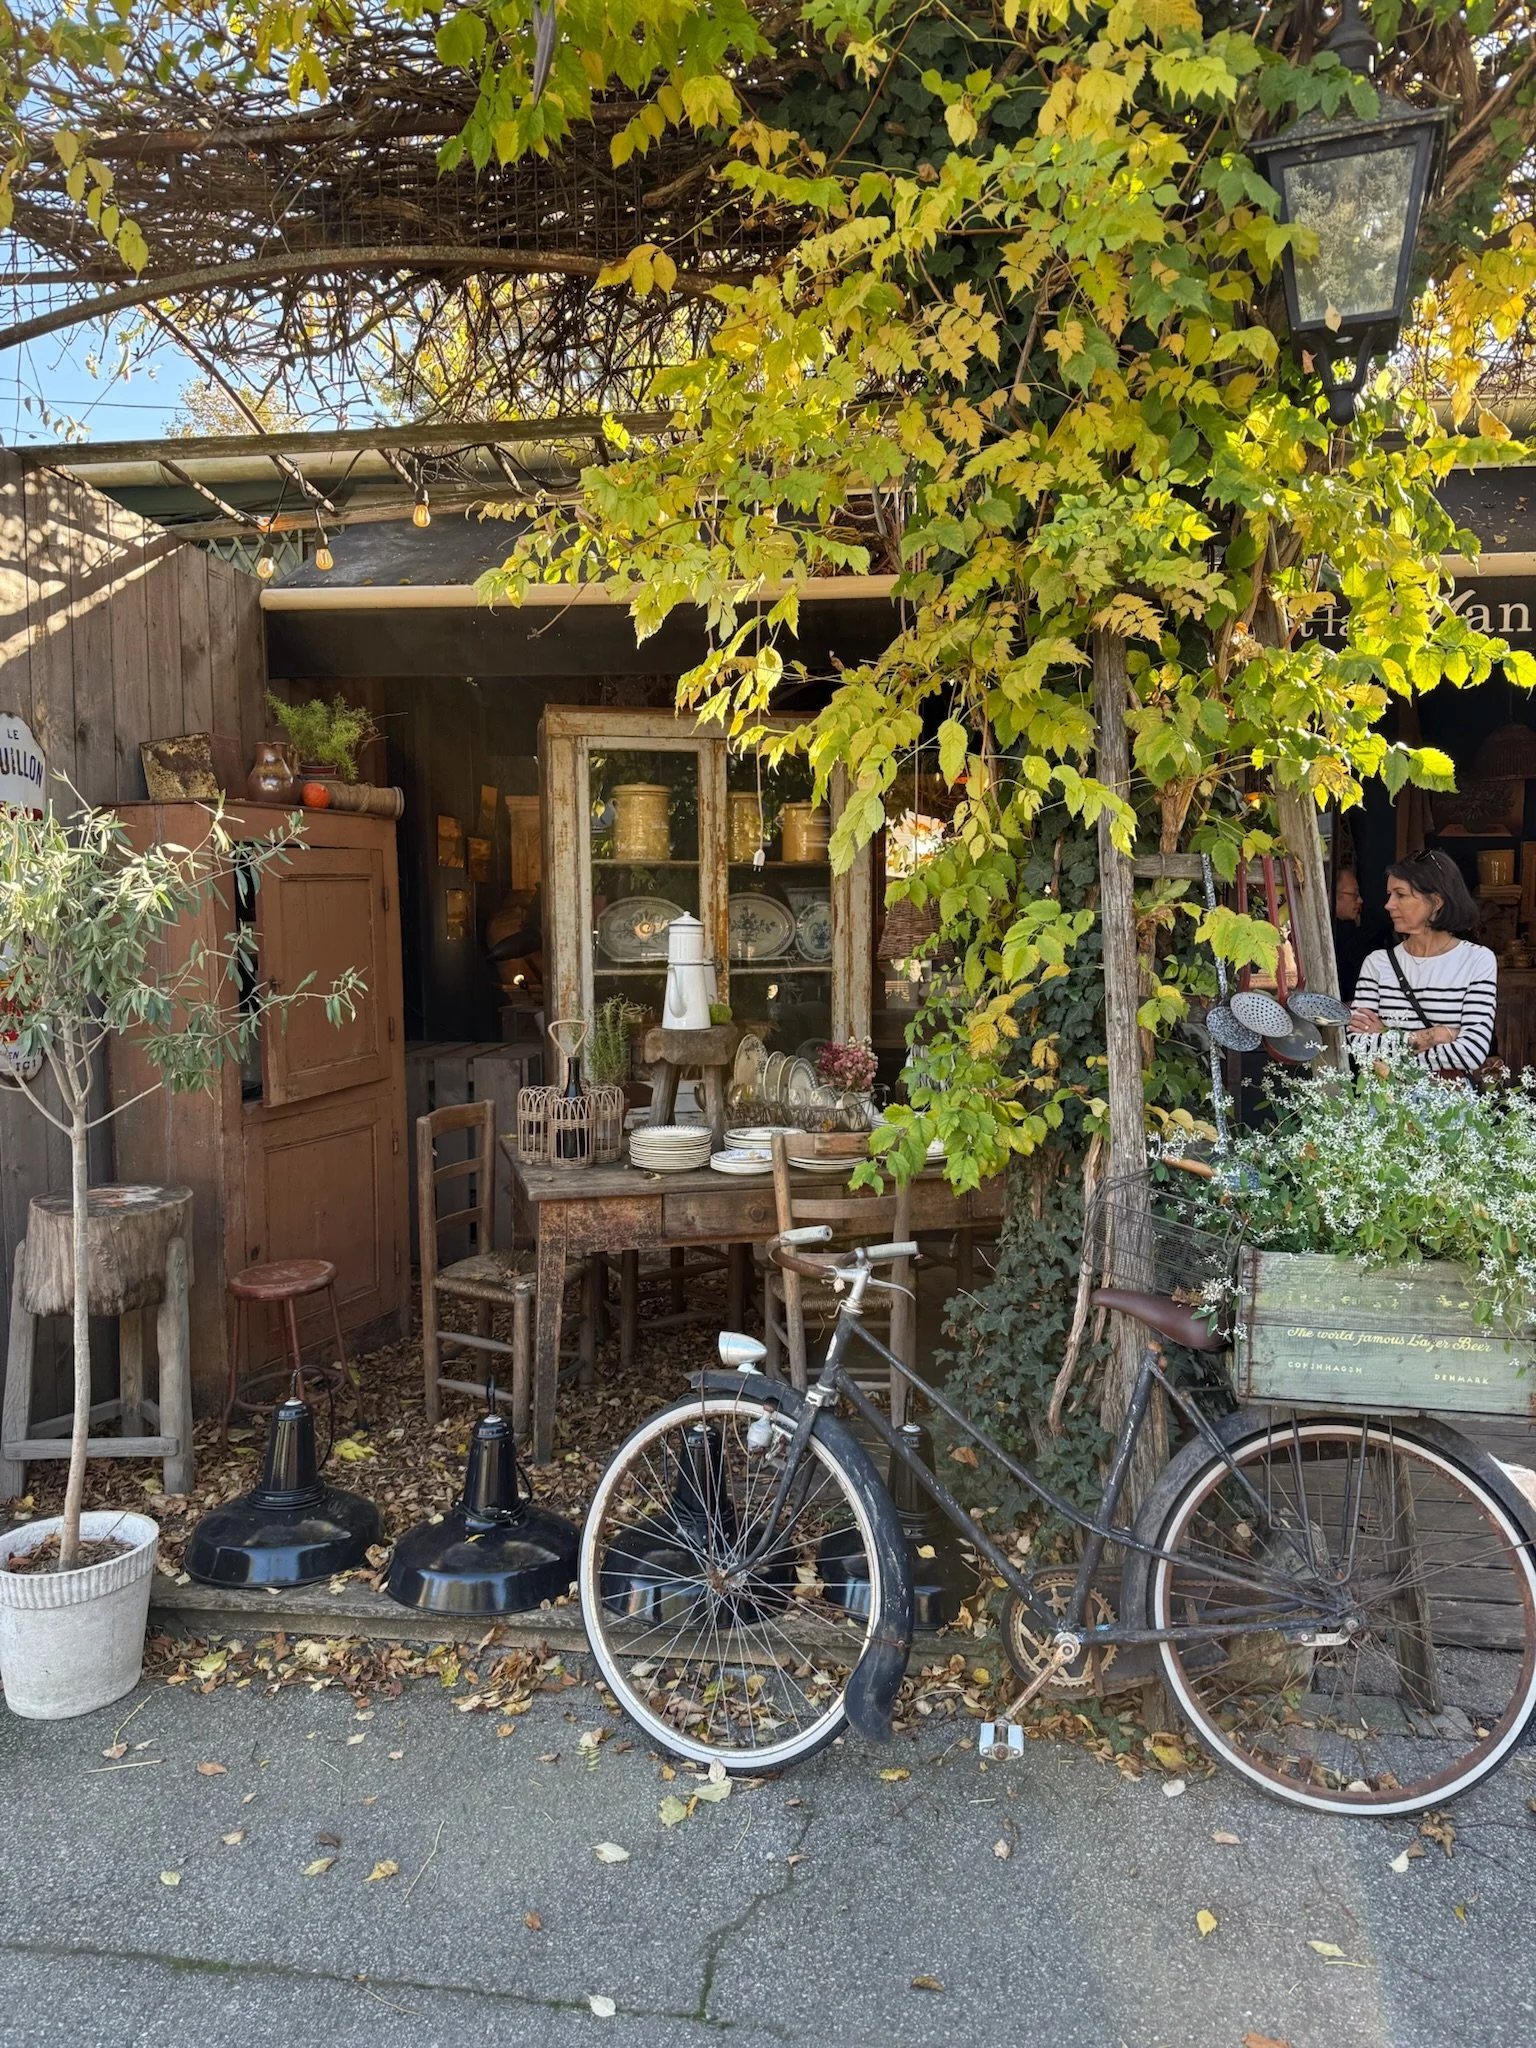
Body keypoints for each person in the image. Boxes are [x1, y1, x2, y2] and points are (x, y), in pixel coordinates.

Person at [1348, 850, 1498, 1076]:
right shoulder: (1377, 963)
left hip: (1449, 1106)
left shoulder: (1477, 960)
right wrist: (1434, 1035)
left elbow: (1473, 1051)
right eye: (1389, 894)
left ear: (1435, 902)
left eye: (1401, 895)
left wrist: (1389, 1039)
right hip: (1385, 1106)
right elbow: (1357, 1046)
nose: (1389, 905)